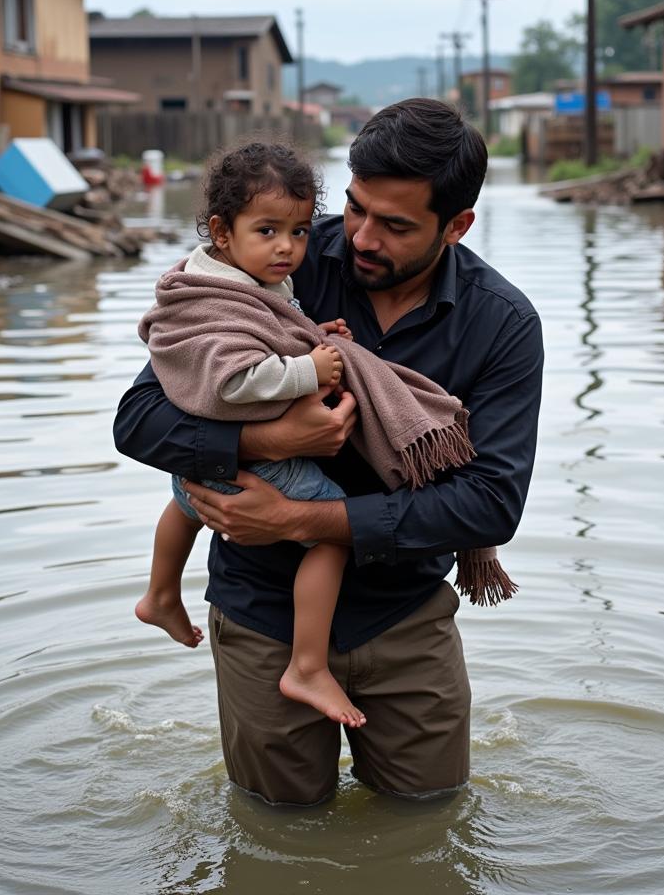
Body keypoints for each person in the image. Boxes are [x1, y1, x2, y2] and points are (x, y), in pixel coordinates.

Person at [114, 98, 544, 806]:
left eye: (396, 225)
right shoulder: (275, 260)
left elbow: (490, 503)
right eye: (354, 208)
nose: (361, 237)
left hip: (404, 617)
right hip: (261, 613)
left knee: (430, 822)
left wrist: (299, 520)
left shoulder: (501, 325)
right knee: (276, 831)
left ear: (458, 226)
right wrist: (269, 440)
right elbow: (140, 419)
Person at [136, 141, 366, 727]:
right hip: (257, 475)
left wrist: (309, 333)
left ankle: (160, 593)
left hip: (197, 474)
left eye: (299, 231)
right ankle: (307, 665)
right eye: (267, 230)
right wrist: (309, 369)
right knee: (338, 533)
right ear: (221, 230)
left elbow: (268, 331)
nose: (286, 248)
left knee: (183, 500)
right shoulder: (218, 295)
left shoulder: (227, 274)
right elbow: (235, 379)